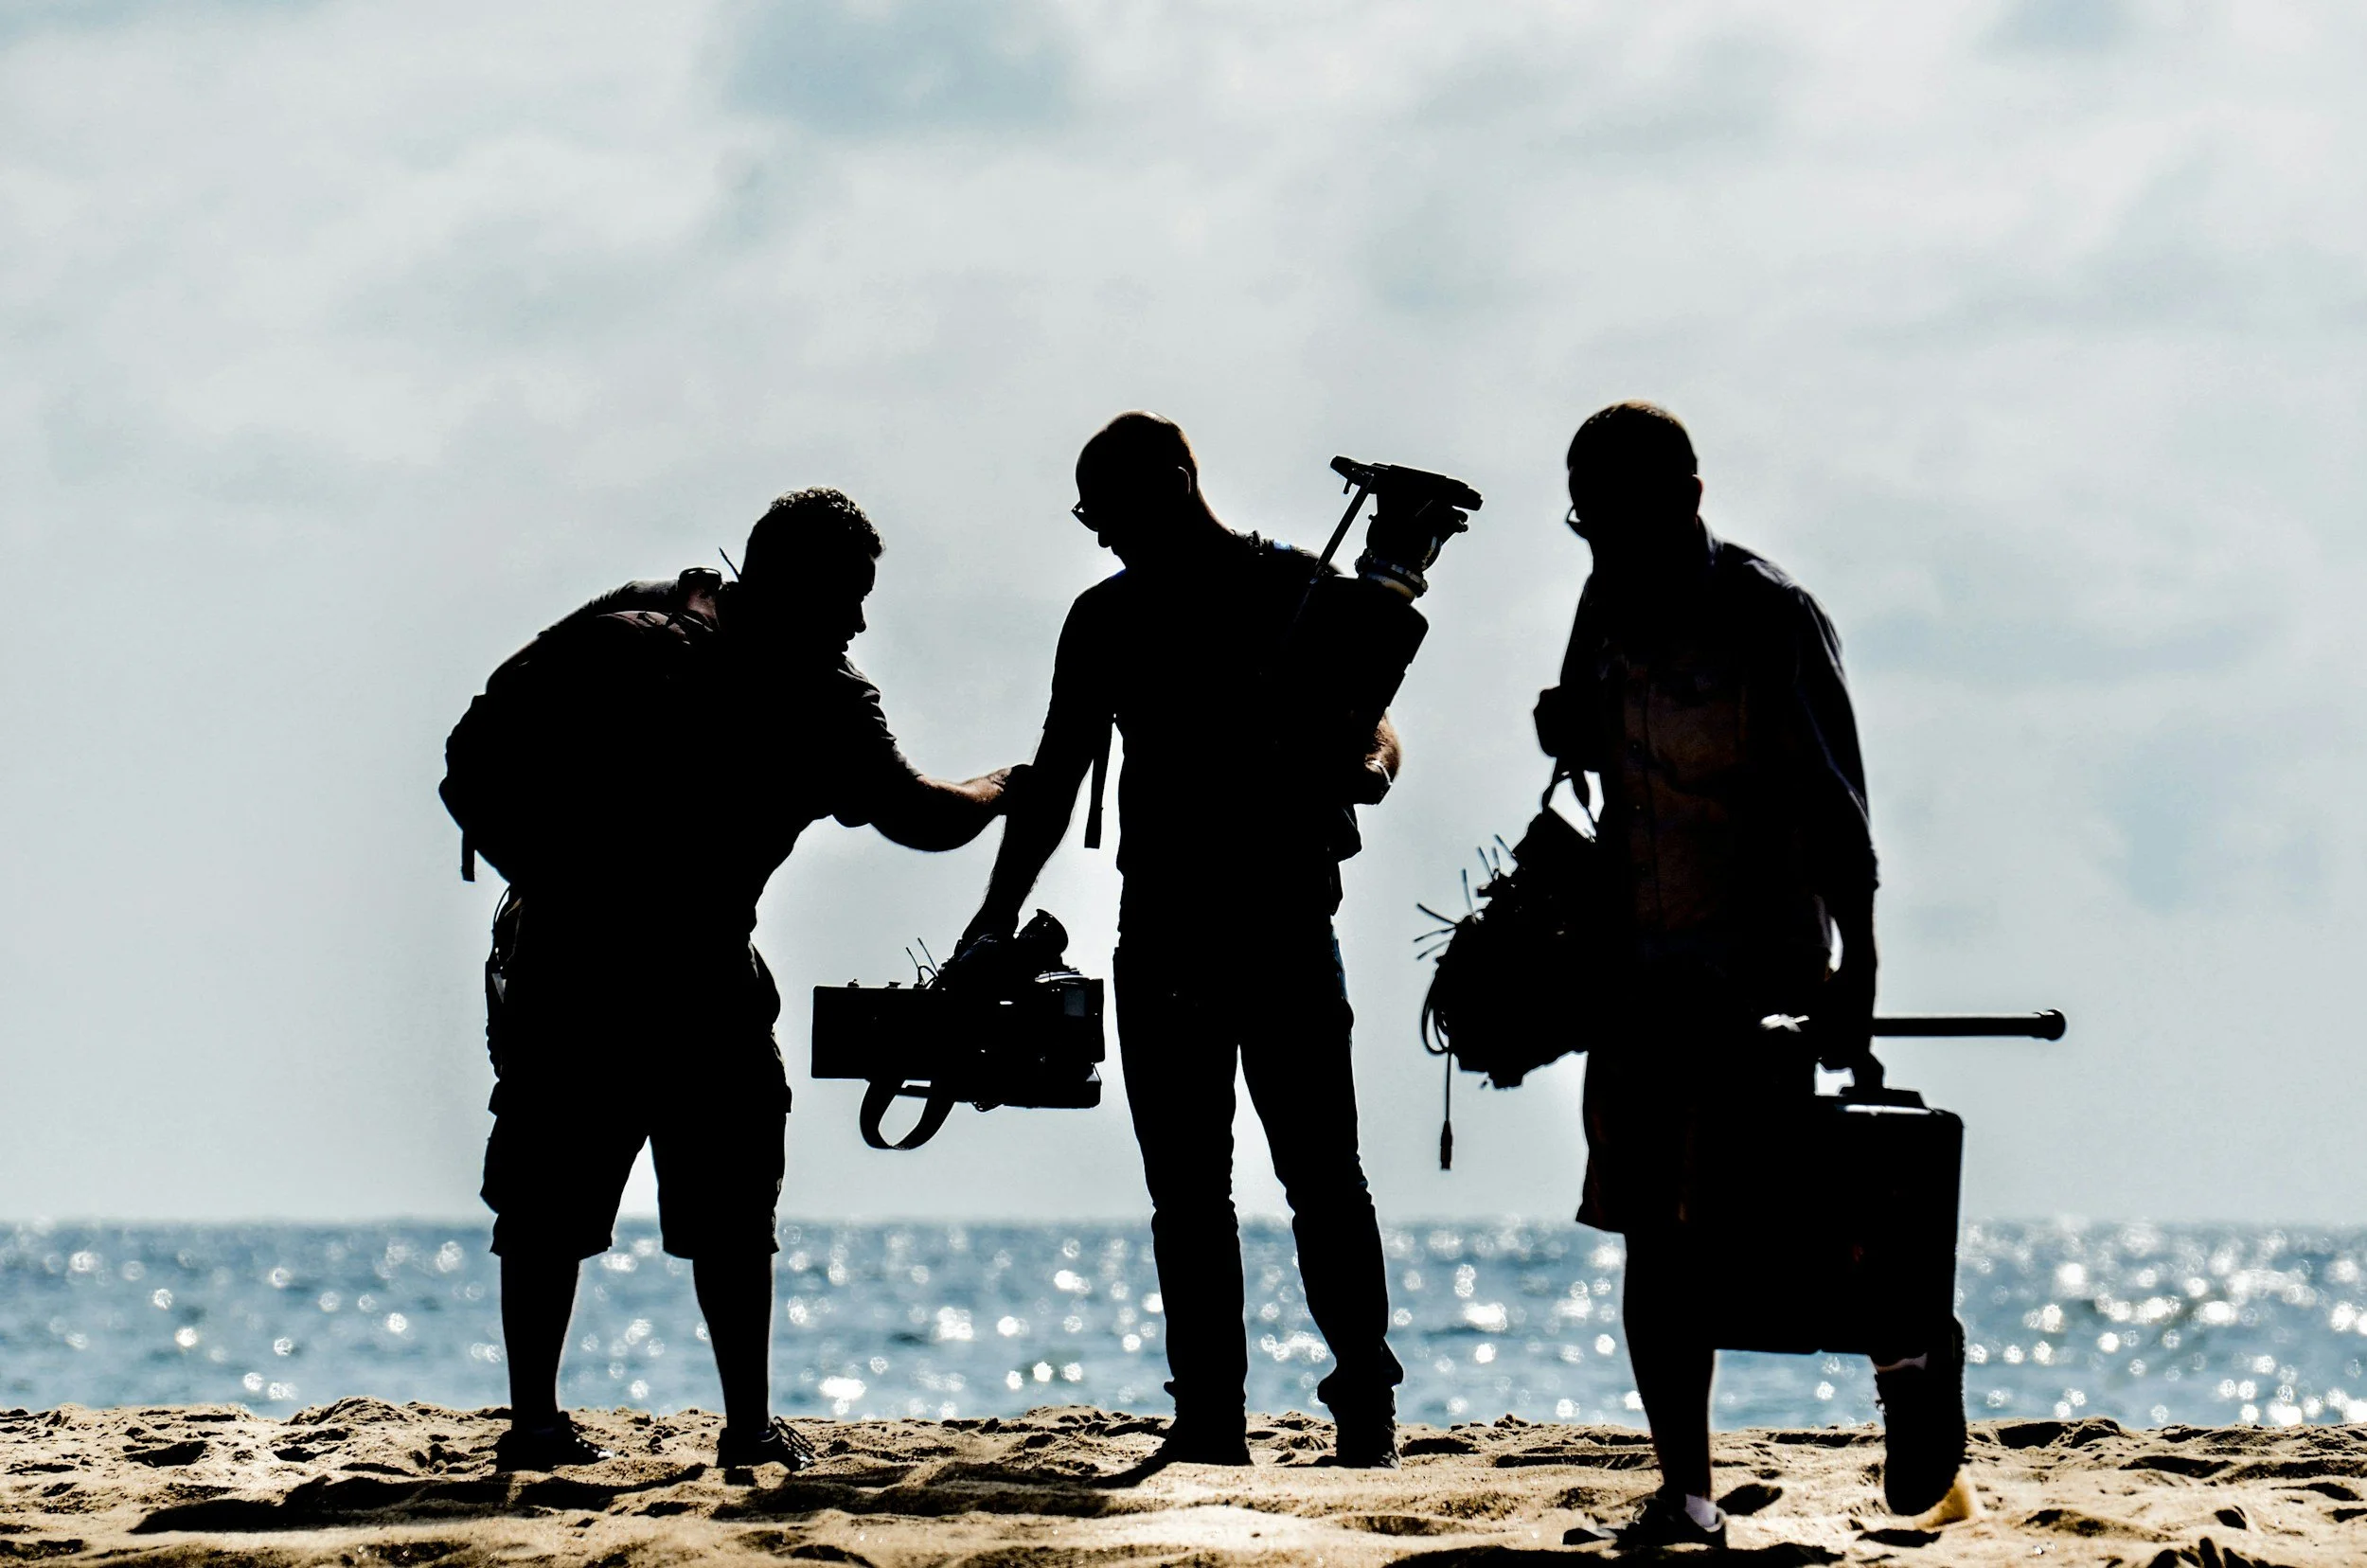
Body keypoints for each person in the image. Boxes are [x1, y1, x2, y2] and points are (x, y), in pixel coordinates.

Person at [449, 488, 1019, 1472]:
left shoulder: (641, 615)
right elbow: (923, 816)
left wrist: (544, 882)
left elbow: (468, 762)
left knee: (554, 1203)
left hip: (570, 961)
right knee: (721, 1210)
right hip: (691, 976)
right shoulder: (824, 701)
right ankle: (743, 1428)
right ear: (800, 586)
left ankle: (542, 1424)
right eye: (850, 596)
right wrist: (1007, 787)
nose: (859, 620)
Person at [1533, 402, 1967, 1547]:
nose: (1603, 546)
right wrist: (1561, 727)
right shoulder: (1603, 602)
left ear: (1687, 493)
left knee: (1775, 1223)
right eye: (1587, 525)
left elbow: (1837, 801)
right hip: (1632, 966)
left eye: (1620, 518)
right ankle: (1686, 1492)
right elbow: (1584, 739)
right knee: (1650, 1230)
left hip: (1757, 965)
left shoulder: (1772, 616)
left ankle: (1914, 1358)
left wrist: (1858, 963)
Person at [960, 412, 1407, 1468]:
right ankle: (1211, 1418)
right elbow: (1057, 776)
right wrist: (993, 914)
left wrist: (1372, 768)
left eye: (1108, 513)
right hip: (1161, 930)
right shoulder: (1105, 618)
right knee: (1189, 1191)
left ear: (1172, 482)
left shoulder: (1304, 588)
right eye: (1090, 519)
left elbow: (1374, 719)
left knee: (1321, 1174)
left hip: (1286, 920)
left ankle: (1364, 1412)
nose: (1103, 537)